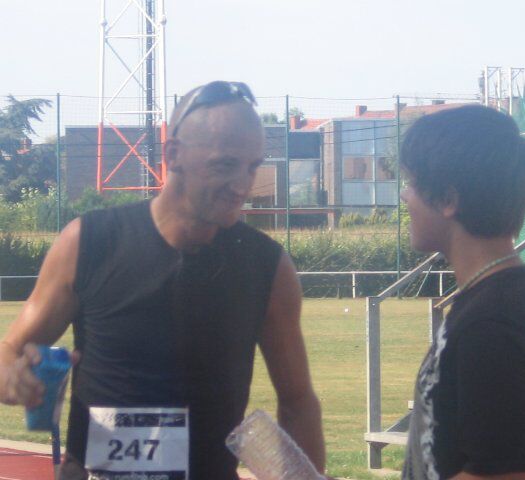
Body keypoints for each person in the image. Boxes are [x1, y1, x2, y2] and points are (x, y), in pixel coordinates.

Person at [0, 81, 325, 479]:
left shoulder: (266, 266)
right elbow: (10, 350)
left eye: (252, 166)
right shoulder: (89, 242)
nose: (242, 185)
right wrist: (12, 375)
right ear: (173, 154)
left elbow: (297, 401)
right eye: (225, 165)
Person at [399, 105, 525, 480]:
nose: (405, 196)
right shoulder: (493, 302)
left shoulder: (492, 324)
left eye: (413, 183)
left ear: (448, 200)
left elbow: (501, 475)